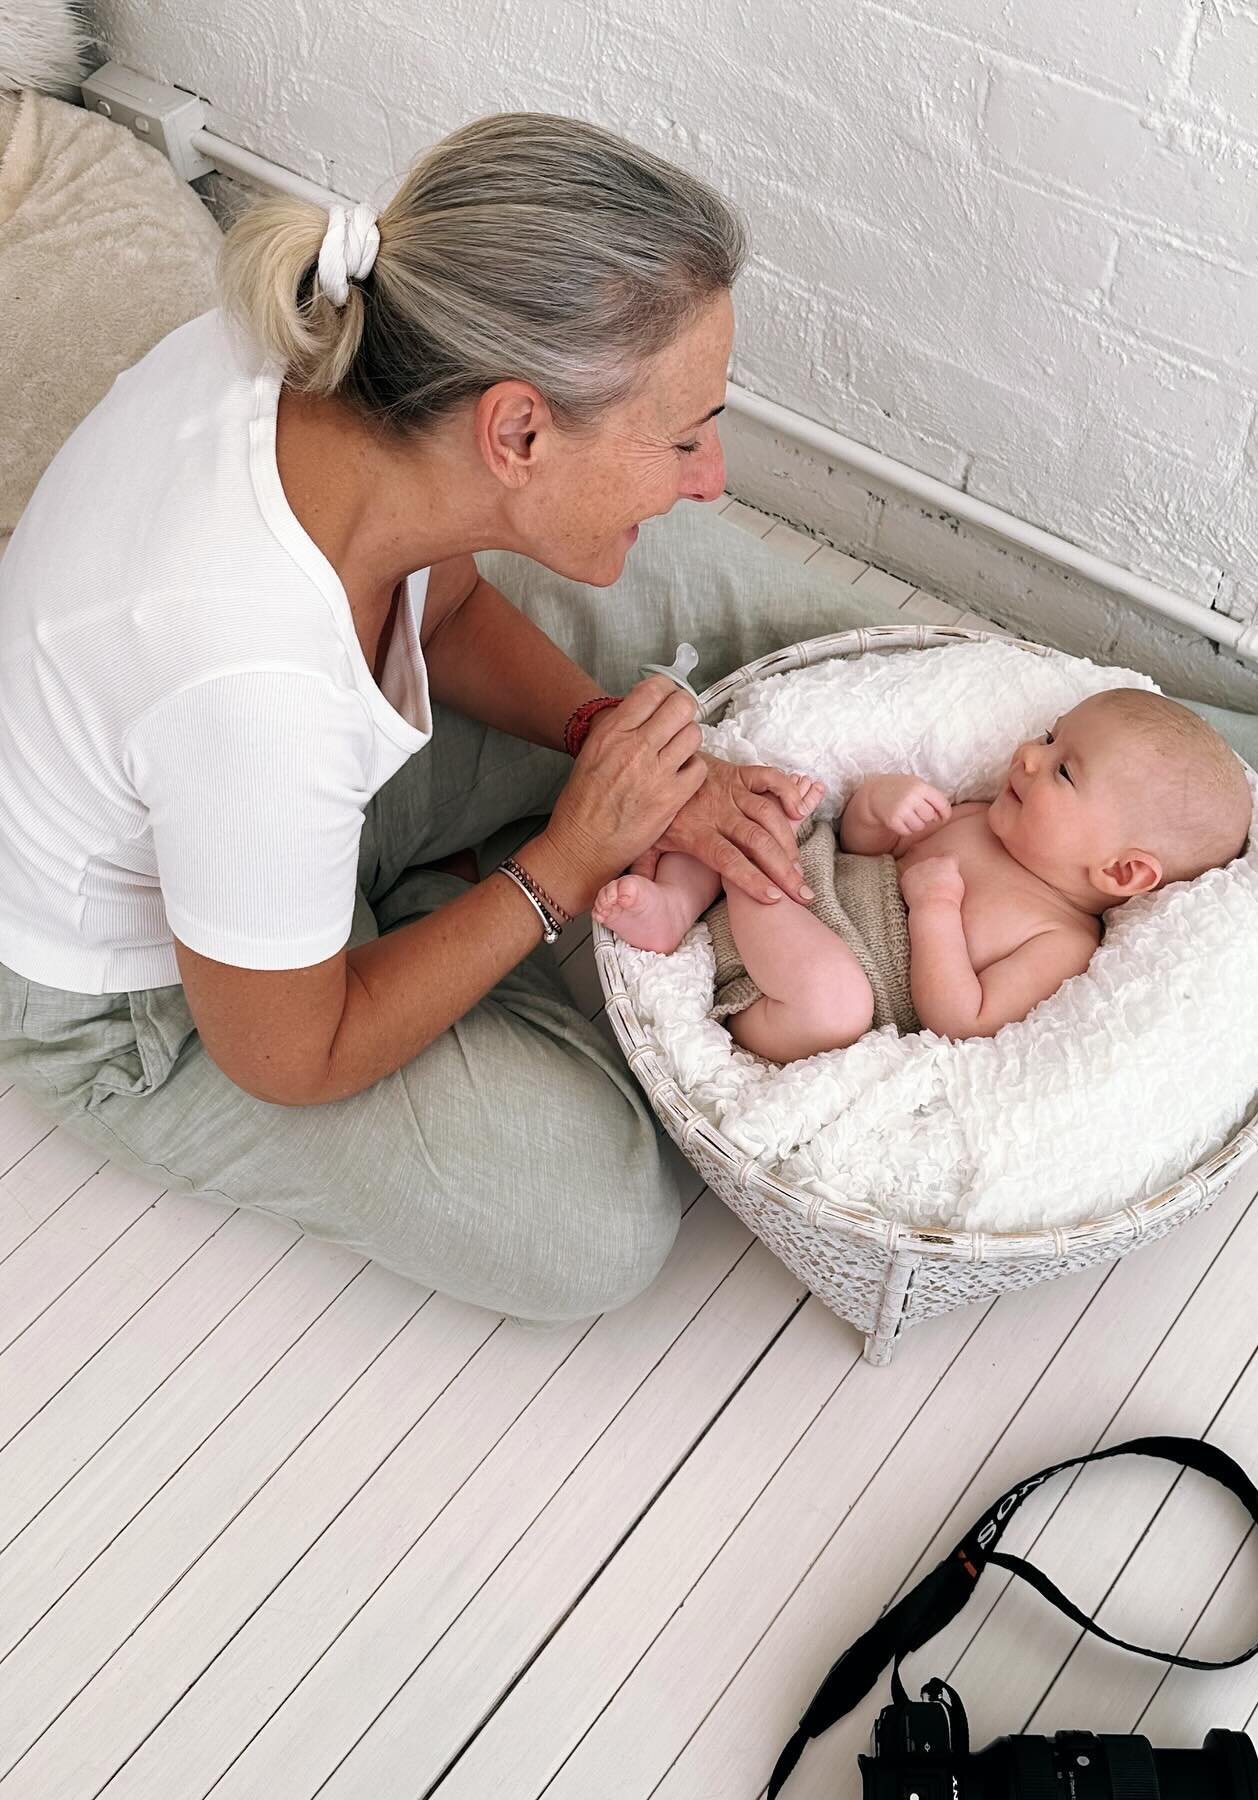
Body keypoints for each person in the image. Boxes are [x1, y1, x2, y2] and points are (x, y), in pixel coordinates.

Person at [0, 112, 897, 1321]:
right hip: (158, 1002)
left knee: (685, 592)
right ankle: (446, 902)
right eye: (681, 436)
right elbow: (291, 1054)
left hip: (247, 818)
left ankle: (436, 901)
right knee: (598, 1220)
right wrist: (562, 866)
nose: (710, 473)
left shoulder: (352, 371)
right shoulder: (254, 680)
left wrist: (602, 740)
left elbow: (450, 608)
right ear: (518, 430)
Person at [594, 687, 1253, 1060]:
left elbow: (963, 1020)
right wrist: (880, 807)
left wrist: (935, 911)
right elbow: (858, 844)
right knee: (758, 810)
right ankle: (676, 906)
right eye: (1050, 737)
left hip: (801, 987)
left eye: (1063, 769)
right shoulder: (979, 815)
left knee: (836, 1002)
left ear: (1122, 869)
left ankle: (729, 880)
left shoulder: (1061, 940)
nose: (1027, 756)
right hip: (802, 886)